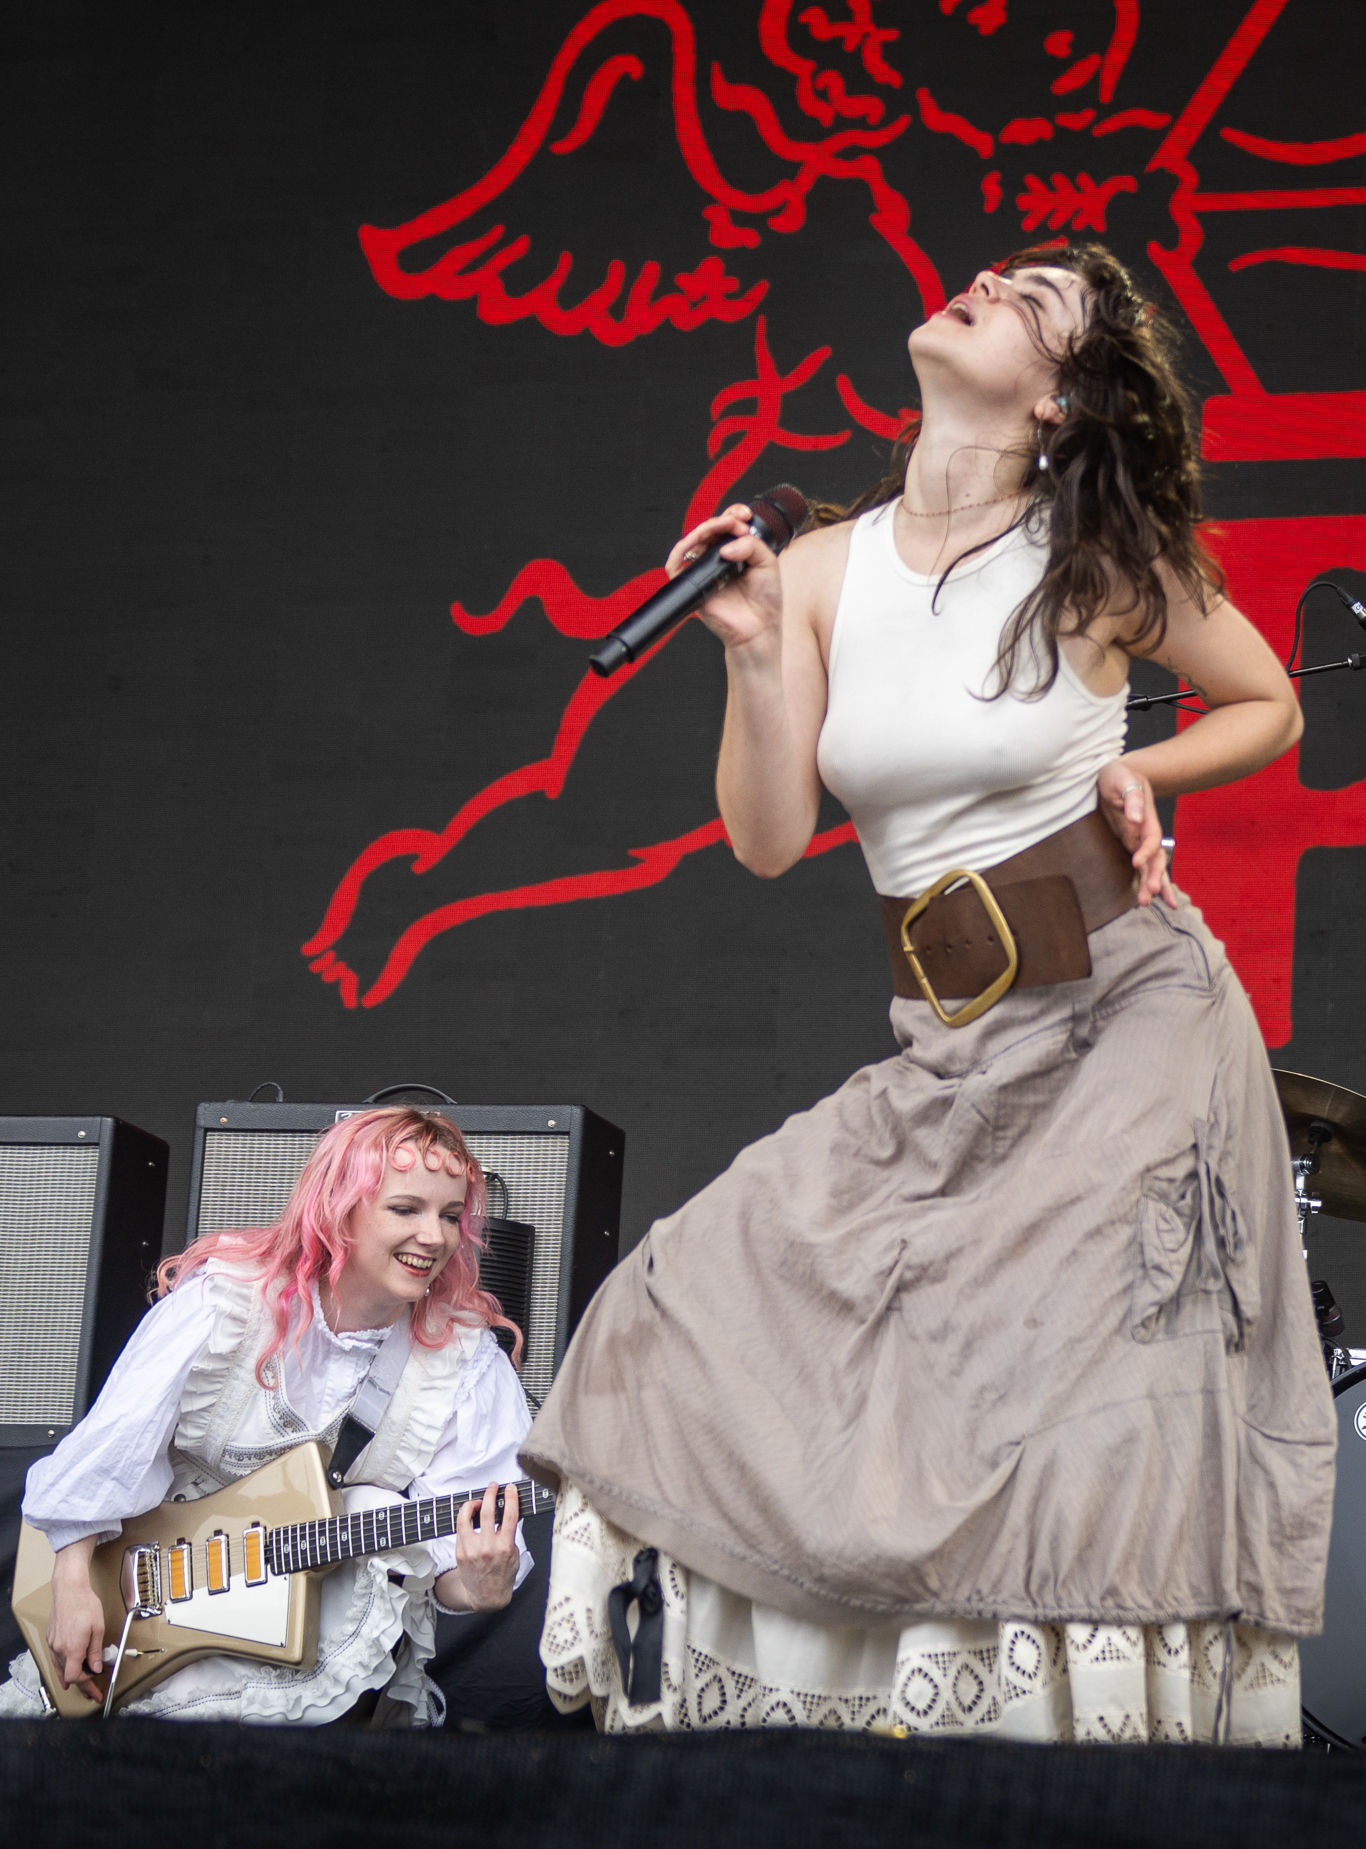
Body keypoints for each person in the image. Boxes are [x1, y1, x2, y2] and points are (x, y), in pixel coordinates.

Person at [523, 242, 1337, 1745]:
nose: (989, 281)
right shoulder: (817, 568)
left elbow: (1269, 701)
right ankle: (859, 1732)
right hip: (949, 1034)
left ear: (1058, 398)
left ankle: (1083, 1759)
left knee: (1082, 1384)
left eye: (1034, 299)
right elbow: (769, 839)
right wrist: (751, 653)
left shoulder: (1095, 554)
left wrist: (1138, 769)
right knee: (681, 1292)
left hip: (1127, 1002)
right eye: (996, 273)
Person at [0, 1107, 531, 1725]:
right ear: (339, 1209)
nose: (434, 1237)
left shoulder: (464, 1362)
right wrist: (72, 1582)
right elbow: (110, 1448)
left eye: (449, 1216)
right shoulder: (223, 1304)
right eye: (406, 1209)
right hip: (148, 1600)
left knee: (372, 1511)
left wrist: (482, 1586)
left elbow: (451, 1575)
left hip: (309, 1635)